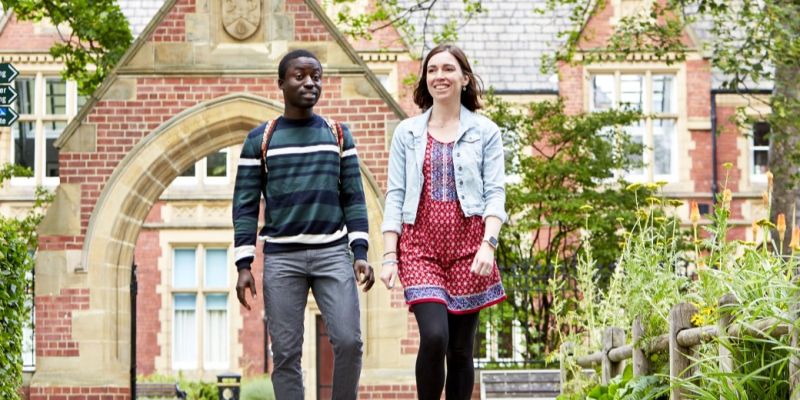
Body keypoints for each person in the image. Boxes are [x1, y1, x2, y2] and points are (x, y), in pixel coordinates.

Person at [233, 49, 375, 400]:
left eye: (316, 76)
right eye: (300, 76)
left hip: (332, 253)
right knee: (285, 353)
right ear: (281, 83)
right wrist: (244, 264)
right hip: (283, 259)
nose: (310, 82)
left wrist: (360, 251)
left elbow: (354, 197)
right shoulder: (260, 140)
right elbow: (245, 205)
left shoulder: (338, 134)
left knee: (349, 341)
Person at [380, 44, 507, 400]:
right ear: (425, 78)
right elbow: (395, 194)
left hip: (470, 247)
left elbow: (496, 193)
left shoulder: (486, 132)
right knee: (435, 336)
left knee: (462, 350)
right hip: (420, 247)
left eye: (448, 69)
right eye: (432, 69)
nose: (440, 76)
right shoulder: (407, 133)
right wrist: (390, 255)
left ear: (464, 78)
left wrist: (489, 243)